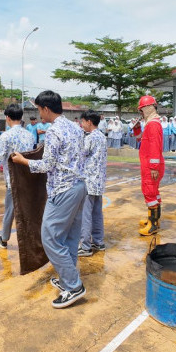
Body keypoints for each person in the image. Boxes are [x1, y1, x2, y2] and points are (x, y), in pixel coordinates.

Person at [11, 91, 87, 309]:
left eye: (39, 109)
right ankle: (67, 280)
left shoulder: (53, 132)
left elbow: (46, 165)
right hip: (79, 187)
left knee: (51, 238)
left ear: (45, 109)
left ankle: (74, 286)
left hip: (63, 190)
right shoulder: (75, 127)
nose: (38, 114)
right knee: (70, 238)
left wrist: (23, 161)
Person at [0, 104, 35, 249]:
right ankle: (30, 237)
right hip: (28, 179)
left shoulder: (6, 136)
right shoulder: (29, 134)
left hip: (13, 180)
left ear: (8, 118)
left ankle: (3, 239)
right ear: (21, 117)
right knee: (27, 209)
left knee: (10, 209)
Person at [78, 110, 107, 257]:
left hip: (89, 182)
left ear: (89, 121)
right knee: (97, 213)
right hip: (99, 182)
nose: (82, 125)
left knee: (86, 215)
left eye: (82, 122)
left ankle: (85, 246)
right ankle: (98, 241)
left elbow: (80, 155)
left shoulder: (90, 138)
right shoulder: (102, 136)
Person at [136, 95, 164, 236]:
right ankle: (153, 220)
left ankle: (153, 225)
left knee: (149, 192)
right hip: (149, 163)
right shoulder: (151, 123)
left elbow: (154, 145)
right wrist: (136, 129)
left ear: (148, 108)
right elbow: (141, 140)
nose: (141, 113)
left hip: (150, 164)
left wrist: (153, 167)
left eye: (141, 110)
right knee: (153, 192)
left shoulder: (153, 124)